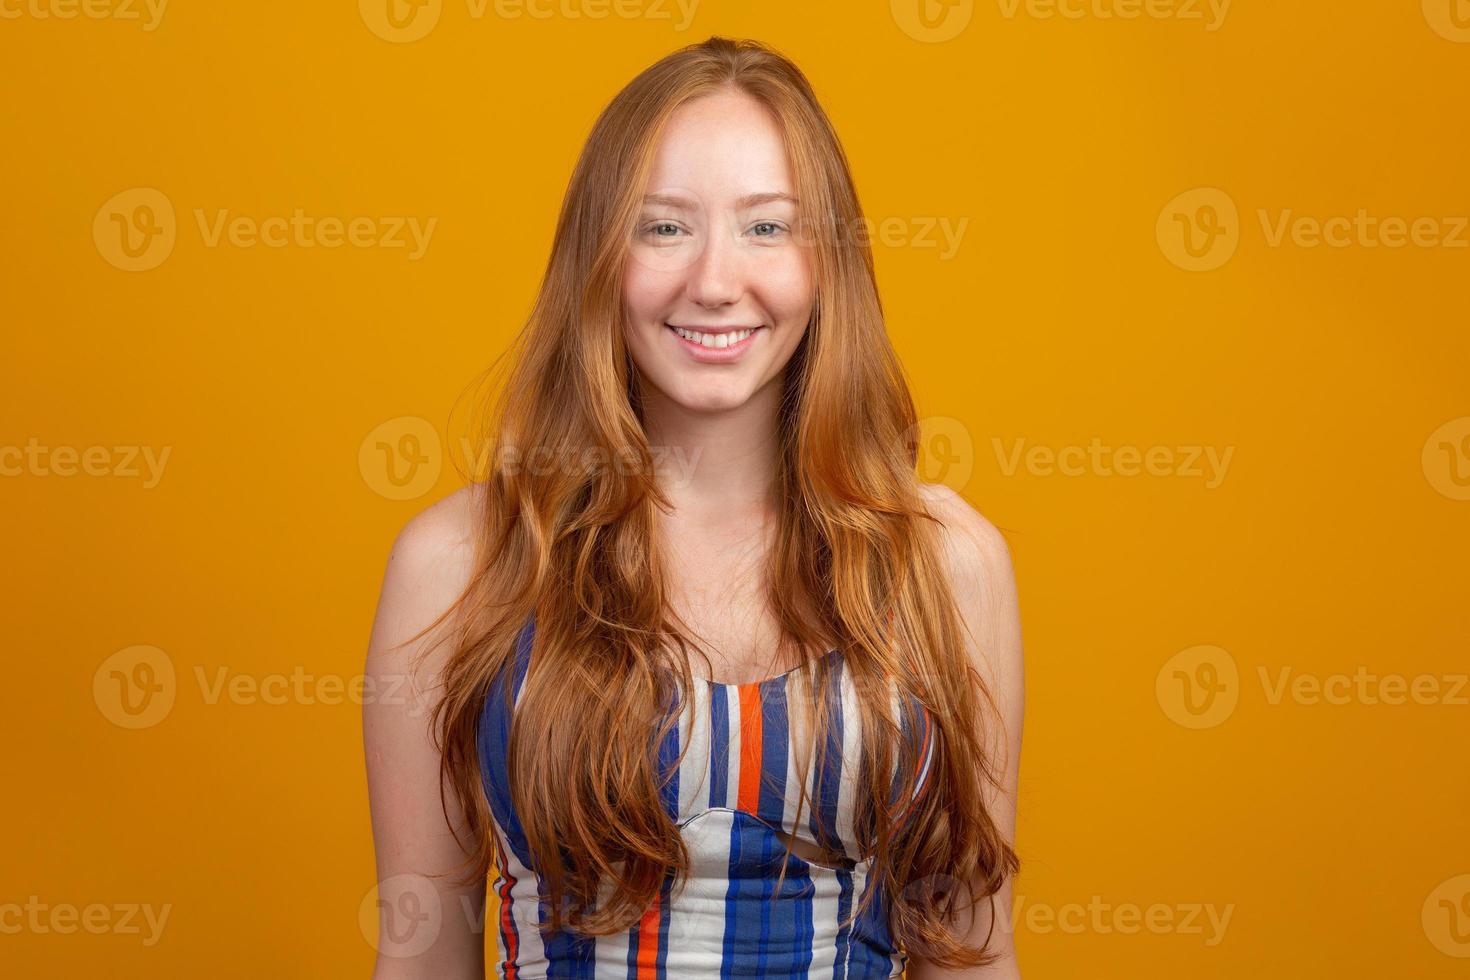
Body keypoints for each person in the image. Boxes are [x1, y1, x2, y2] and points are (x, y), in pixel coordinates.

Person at [363, 35, 1024, 979]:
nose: (715, 282)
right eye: (663, 226)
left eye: (768, 227)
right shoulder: (459, 563)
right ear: (598, 256)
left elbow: (973, 955)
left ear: (826, 261)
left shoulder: (949, 566)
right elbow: (421, 958)